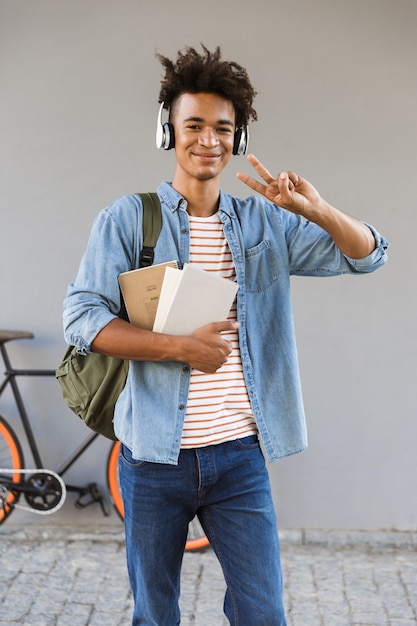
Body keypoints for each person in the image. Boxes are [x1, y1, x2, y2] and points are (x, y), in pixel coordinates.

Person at [63, 45, 388, 626]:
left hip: (240, 457)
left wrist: (316, 211)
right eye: (194, 125)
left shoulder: (265, 221)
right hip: (152, 457)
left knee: (264, 615)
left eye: (222, 128)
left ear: (236, 139)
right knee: (155, 614)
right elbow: (82, 318)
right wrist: (177, 348)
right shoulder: (127, 219)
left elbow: (368, 256)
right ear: (168, 131)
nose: (207, 140)